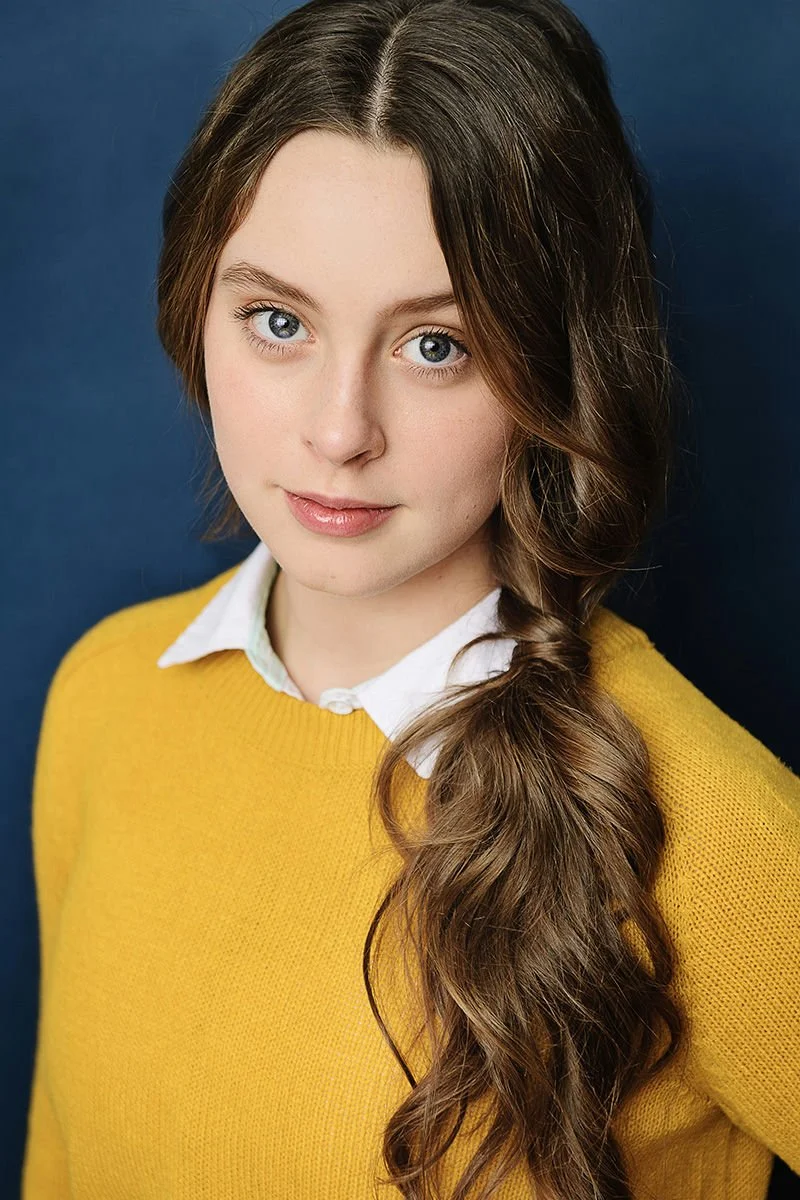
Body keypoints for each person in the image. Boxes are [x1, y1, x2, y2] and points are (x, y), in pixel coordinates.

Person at [21, 0, 800, 1197]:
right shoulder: (104, 694)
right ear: (193, 308)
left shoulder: (709, 829)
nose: (339, 431)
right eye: (277, 322)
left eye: (436, 345)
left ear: (556, 363)